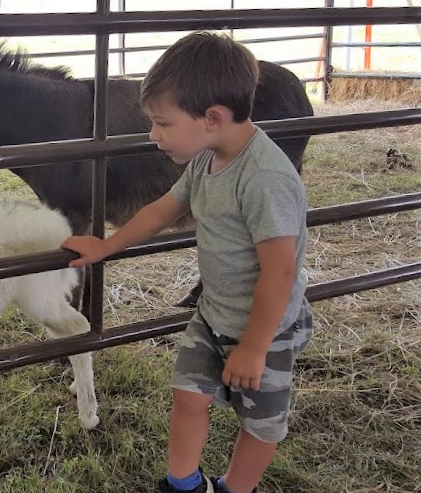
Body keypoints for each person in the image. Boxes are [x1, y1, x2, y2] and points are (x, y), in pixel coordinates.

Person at [62, 31, 312, 493]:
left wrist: (254, 347)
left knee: (261, 423)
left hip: (267, 327)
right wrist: (106, 246)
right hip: (214, 314)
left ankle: (236, 487)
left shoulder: (265, 179)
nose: (153, 136)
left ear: (212, 118)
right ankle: (183, 484)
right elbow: (164, 209)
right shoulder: (206, 159)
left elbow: (280, 272)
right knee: (187, 394)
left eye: (162, 123)